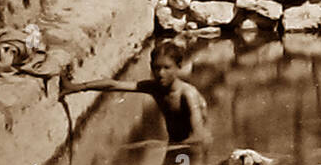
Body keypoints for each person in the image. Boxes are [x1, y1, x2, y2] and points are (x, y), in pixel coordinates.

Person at [61, 40, 211, 149]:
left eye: (167, 68)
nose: (160, 73)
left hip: (194, 150)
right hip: (175, 146)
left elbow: (199, 136)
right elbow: (114, 85)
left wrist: (155, 145)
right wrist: (77, 87)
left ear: (179, 67)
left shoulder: (188, 94)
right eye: (156, 68)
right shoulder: (155, 87)